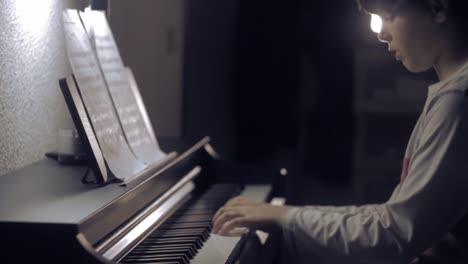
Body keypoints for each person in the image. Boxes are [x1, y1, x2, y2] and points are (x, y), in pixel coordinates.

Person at [212, 0, 468, 263]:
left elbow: (394, 236)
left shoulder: (457, 100)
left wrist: (285, 217)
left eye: (388, 16)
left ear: (437, 8)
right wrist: (284, 215)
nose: (381, 34)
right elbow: (391, 218)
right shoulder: (452, 93)